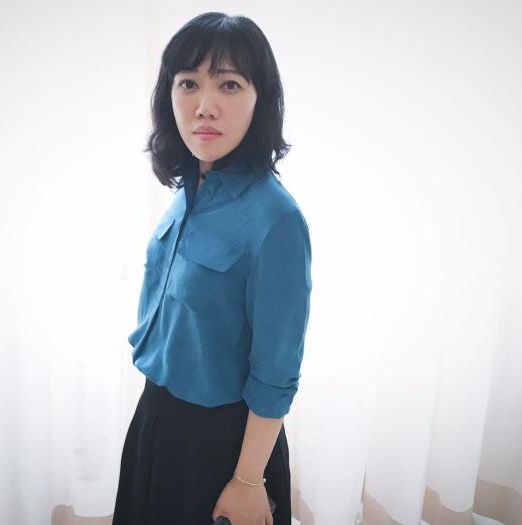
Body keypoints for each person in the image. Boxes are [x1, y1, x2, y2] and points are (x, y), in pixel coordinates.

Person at [112, 11, 312, 525]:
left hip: (223, 445)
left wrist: (247, 481)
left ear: (260, 98)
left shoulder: (277, 220)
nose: (205, 105)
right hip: (156, 420)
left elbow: (276, 371)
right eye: (188, 83)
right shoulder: (189, 187)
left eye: (229, 84)